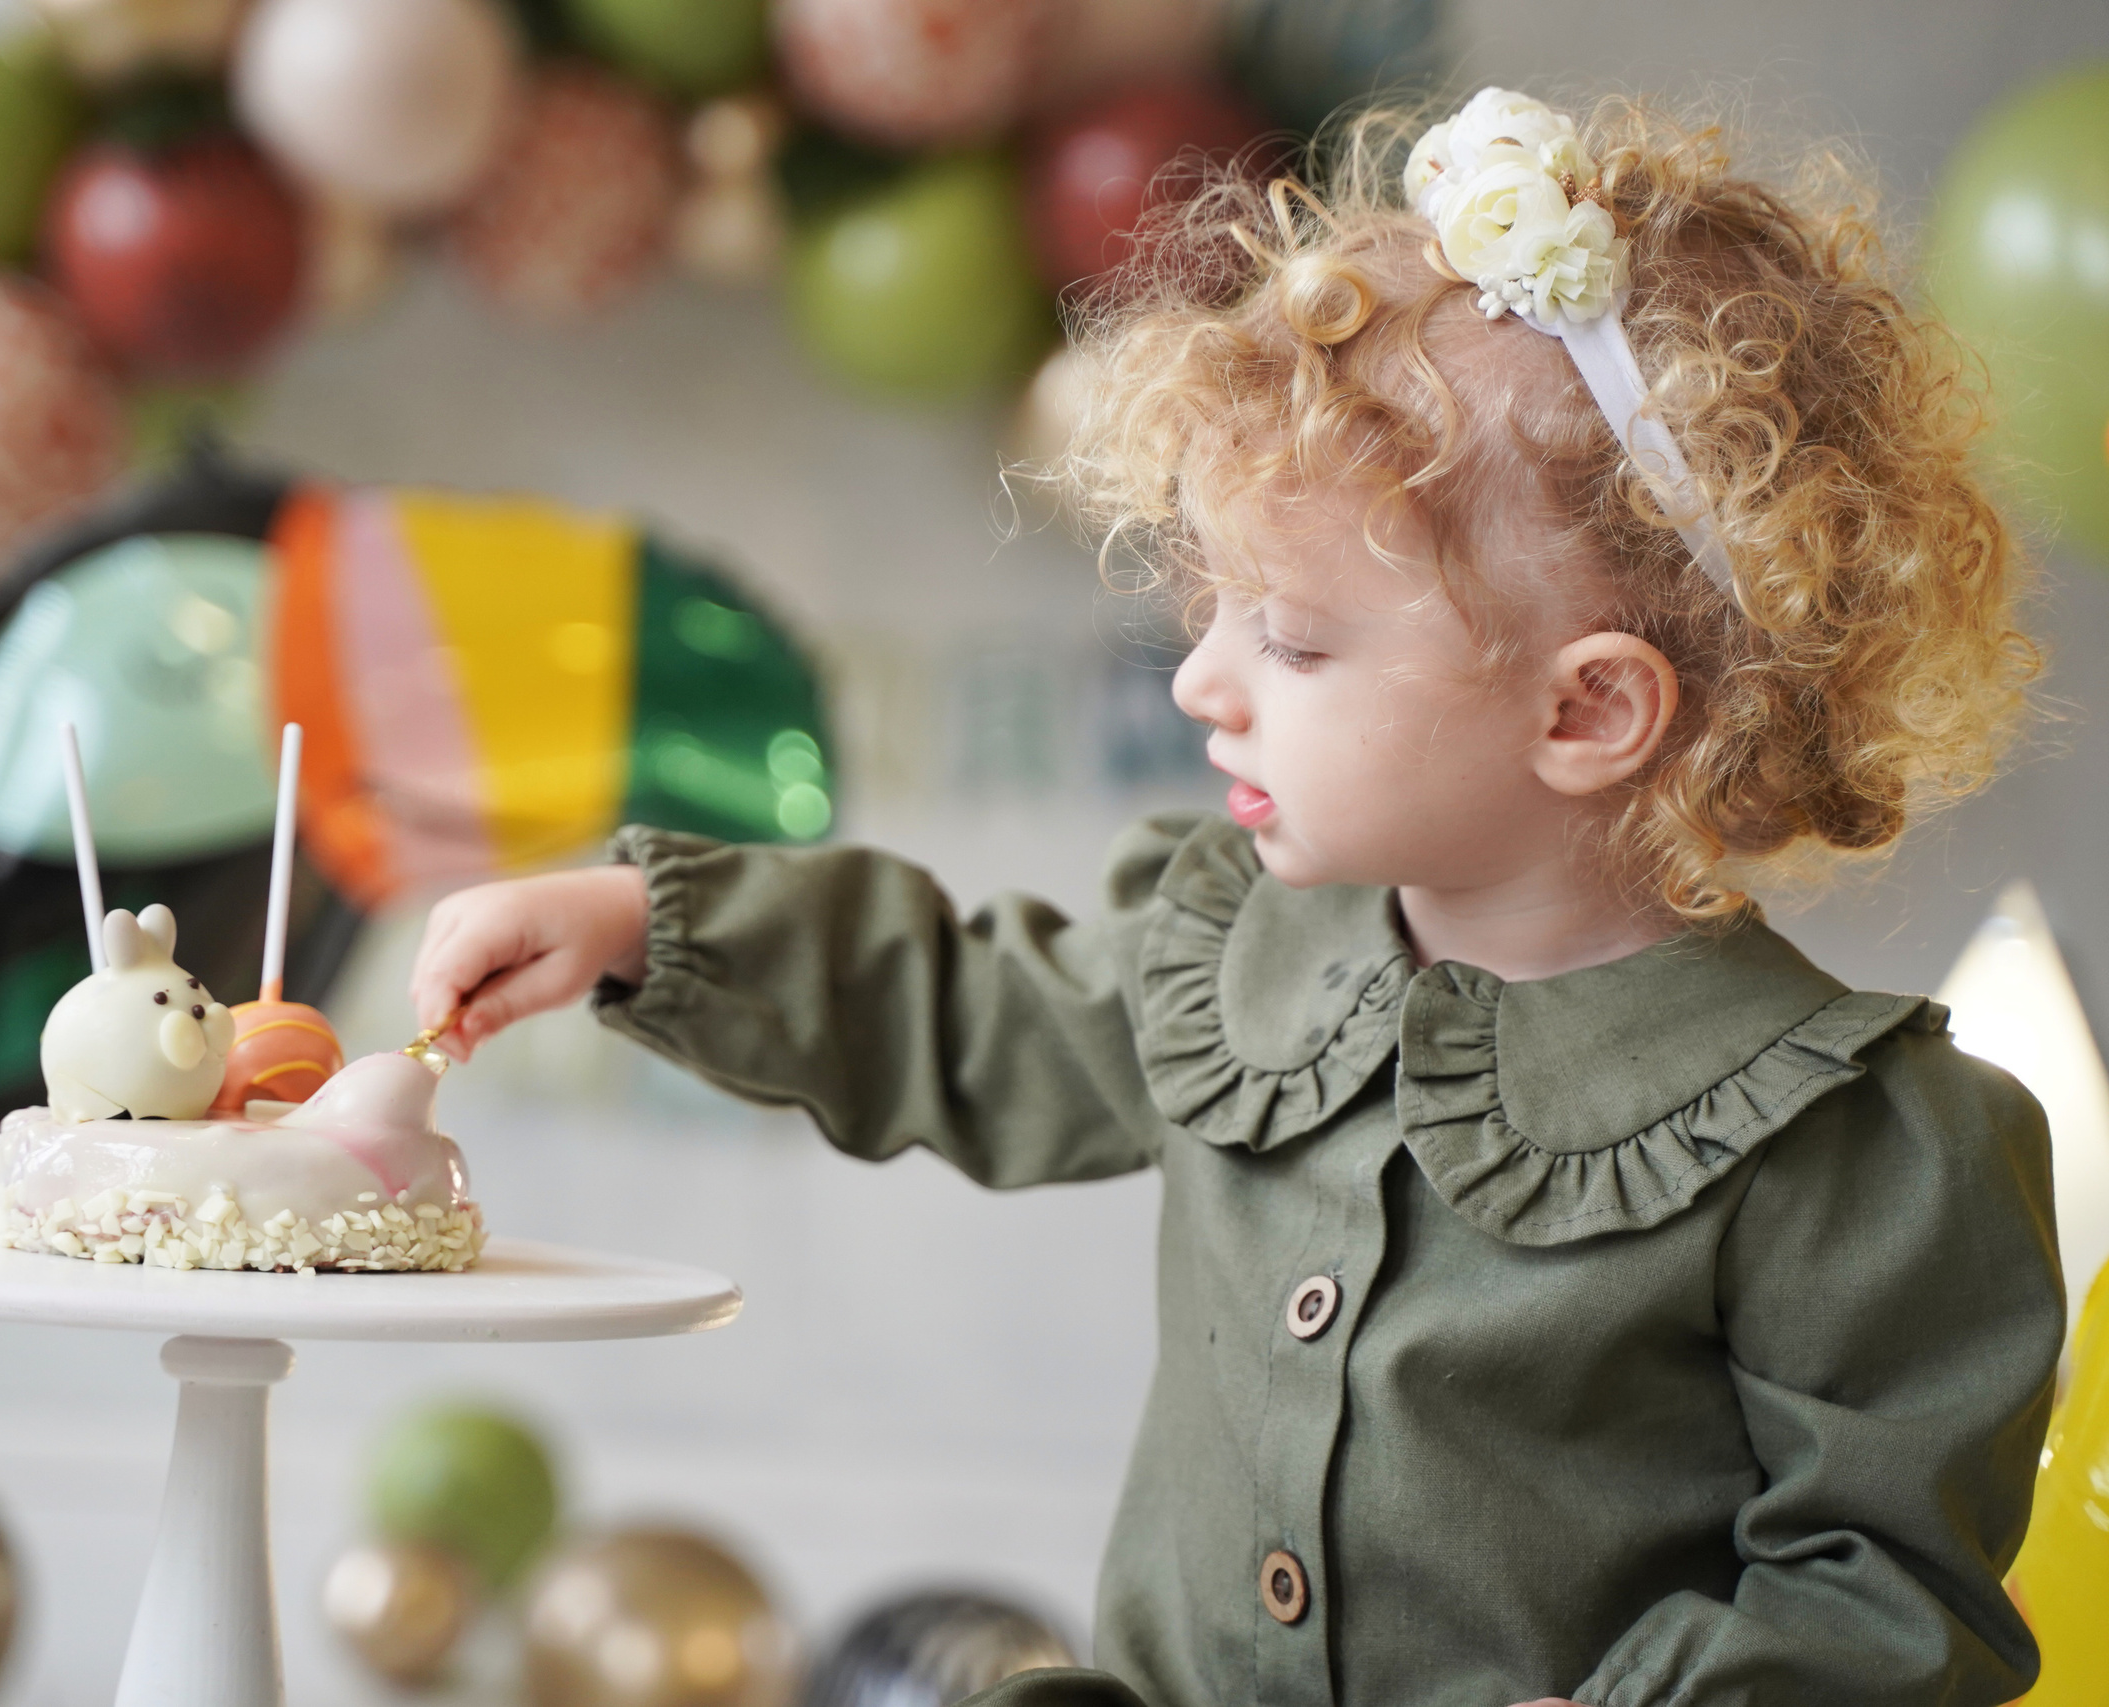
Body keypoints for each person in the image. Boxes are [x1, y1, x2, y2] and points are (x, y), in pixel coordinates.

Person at [410, 89, 2065, 1707]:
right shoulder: (1234, 957)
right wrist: (650, 927)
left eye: (1294, 640)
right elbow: (965, 1010)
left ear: (1586, 711)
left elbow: (1885, 1585)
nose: (1205, 684)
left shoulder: (1845, 1151)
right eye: (1212, 613)